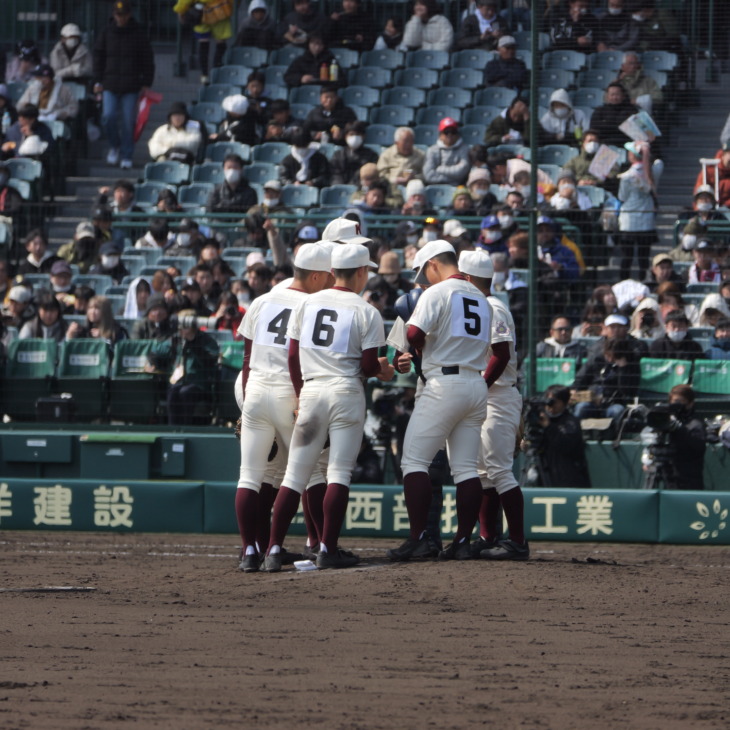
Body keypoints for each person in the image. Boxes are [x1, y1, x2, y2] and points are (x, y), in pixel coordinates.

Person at [263, 243, 393, 571]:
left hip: (312, 390)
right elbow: (366, 365)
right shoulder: (367, 311)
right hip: (346, 392)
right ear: (362, 272)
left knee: (295, 474)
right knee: (338, 473)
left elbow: (292, 355)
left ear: (333, 272)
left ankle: (274, 549)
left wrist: (299, 394)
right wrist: (384, 369)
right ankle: (326, 548)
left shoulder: (308, 303)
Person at [387, 240, 490, 561]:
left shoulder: (437, 291)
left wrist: (422, 344)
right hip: (476, 383)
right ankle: (462, 541)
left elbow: (414, 334)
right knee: (465, 469)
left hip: (444, 384)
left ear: (433, 264)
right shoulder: (481, 298)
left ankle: (419, 537)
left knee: (413, 462)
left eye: (423, 271)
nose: (423, 278)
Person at [235, 242, 334, 572]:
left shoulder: (261, 300)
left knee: (249, 477)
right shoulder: (313, 304)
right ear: (317, 276)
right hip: (289, 391)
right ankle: (306, 544)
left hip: (256, 389)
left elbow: (247, 359)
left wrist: (246, 401)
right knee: (310, 472)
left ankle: (251, 551)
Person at [458, 249, 528, 561]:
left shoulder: (494, 308)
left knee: (499, 470)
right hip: (484, 393)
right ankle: (488, 536)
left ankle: (517, 541)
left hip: (498, 395)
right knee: (482, 471)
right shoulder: (477, 305)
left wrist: (480, 385)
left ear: (469, 278)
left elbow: (500, 354)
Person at [93, 0, 155, 169]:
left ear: (129, 15)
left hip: (131, 86)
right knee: (108, 117)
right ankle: (115, 146)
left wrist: (146, 82)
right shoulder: (106, 33)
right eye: (118, 15)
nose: (121, 18)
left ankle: (127, 154)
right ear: (114, 15)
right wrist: (97, 80)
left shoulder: (138, 34)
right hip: (110, 84)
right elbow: (98, 57)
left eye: (124, 15)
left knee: (128, 121)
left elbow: (147, 60)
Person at [156, 309, 219, 425]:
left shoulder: (205, 340)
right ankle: (173, 430)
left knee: (186, 392)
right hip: (178, 382)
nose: (182, 329)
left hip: (199, 384)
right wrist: (172, 344)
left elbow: (211, 360)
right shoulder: (177, 339)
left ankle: (186, 429)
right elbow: (157, 351)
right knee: (173, 393)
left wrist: (194, 344)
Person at [534, 385, 592, 488]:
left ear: (563, 402)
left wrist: (549, 427)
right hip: (545, 474)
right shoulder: (541, 419)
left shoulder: (571, 422)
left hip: (568, 479)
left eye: (554, 401)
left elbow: (566, 445)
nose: (550, 405)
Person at [572, 337, 641, 421]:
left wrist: (623, 368)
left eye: (614, 357)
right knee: (582, 407)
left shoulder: (631, 365)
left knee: (617, 411)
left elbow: (628, 391)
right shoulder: (596, 360)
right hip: (592, 400)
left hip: (614, 402)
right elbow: (581, 378)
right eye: (608, 355)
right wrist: (575, 389)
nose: (610, 359)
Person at [617, 140, 657, 281]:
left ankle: (623, 282)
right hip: (646, 219)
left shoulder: (626, 177)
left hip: (628, 220)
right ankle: (643, 281)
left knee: (626, 256)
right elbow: (659, 164)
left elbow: (622, 196)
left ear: (632, 156)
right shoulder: (654, 172)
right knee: (643, 256)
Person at [173, 0, 232, 85]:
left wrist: (181, 11)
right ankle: (215, 72)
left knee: (208, 42)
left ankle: (205, 74)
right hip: (218, 11)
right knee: (219, 41)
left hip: (205, 12)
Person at [659, 385, 707, 490]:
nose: (677, 405)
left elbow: (698, 447)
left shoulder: (696, 425)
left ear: (690, 404)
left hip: (688, 482)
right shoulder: (665, 422)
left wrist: (679, 429)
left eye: (681, 401)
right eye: (675, 401)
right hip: (667, 478)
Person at [589, 82, 639, 148]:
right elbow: (594, 128)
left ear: (623, 96)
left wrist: (607, 125)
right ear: (607, 96)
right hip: (604, 144)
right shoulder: (600, 110)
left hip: (627, 145)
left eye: (617, 94)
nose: (614, 97)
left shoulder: (631, 110)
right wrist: (619, 126)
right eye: (612, 95)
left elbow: (634, 130)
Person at [423, 118, 470, 186]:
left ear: (457, 134)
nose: (450, 135)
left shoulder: (464, 149)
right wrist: (453, 180)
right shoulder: (432, 150)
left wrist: (440, 169)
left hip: (457, 187)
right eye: (446, 132)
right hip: (435, 186)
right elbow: (429, 175)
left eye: (453, 132)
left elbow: (462, 171)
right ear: (440, 135)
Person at [693, 144, 730, 209]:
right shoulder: (709, 171)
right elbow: (699, 195)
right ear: (723, 155)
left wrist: (726, 205)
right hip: (711, 210)